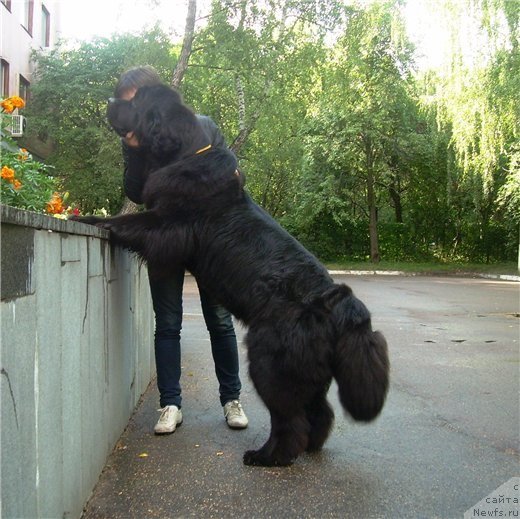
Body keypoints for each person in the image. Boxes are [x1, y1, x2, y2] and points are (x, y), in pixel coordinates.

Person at [114, 66, 248, 434]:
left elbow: (232, 175)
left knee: (219, 320)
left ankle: (231, 399)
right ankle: (170, 404)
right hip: (165, 237)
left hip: (208, 240)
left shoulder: (201, 125)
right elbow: (135, 193)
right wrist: (135, 151)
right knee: (168, 323)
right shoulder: (135, 139)